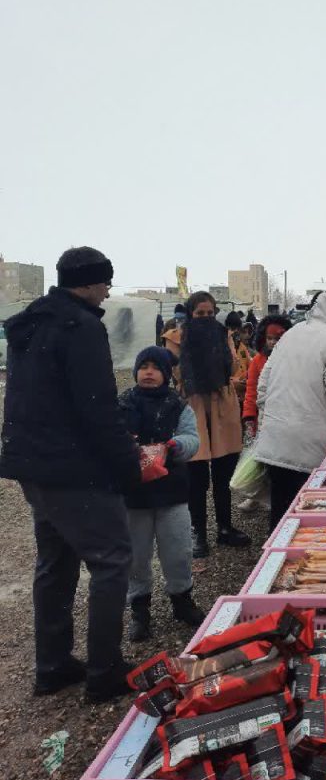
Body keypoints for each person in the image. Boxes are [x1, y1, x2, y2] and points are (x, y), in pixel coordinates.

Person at [0, 247, 140, 702]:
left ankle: (53, 665)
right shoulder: (80, 326)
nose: (108, 291)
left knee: (56, 561)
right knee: (112, 560)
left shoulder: (31, 323)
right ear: (88, 282)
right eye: (106, 282)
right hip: (73, 467)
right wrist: (128, 464)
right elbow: (98, 407)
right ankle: (105, 671)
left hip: (32, 463)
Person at [118, 346, 205, 641]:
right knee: (135, 554)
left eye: (156, 368)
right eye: (144, 367)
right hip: (134, 495)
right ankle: (139, 609)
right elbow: (111, 437)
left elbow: (192, 438)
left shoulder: (177, 405)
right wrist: (125, 447)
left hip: (172, 492)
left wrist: (176, 446)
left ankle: (182, 600)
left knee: (178, 549)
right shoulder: (123, 404)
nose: (149, 372)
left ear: (166, 375)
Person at [253, 291, 326, 530]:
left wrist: (270, 418)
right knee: (306, 512)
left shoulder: (291, 334)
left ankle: (274, 550)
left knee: (280, 509)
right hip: (308, 441)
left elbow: (264, 385)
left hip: (275, 438)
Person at [162, 291, 250, 558]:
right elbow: (175, 372)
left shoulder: (223, 335)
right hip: (193, 406)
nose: (205, 318)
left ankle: (224, 527)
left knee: (224, 473)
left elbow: (233, 368)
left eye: (210, 313)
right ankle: (198, 532)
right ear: (190, 314)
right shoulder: (175, 338)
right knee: (196, 476)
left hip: (222, 404)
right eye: (200, 313)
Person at [237, 315, 292, 513]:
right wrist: (249, 417)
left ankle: (273, 496)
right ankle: (255, 495)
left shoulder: (292, 361)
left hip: (287, 416)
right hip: (264, 418)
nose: (273, 342)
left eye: (277, 338)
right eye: (270, 338)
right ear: (263, 338)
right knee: (262, 459)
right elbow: (251, 391)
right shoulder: (257, 361)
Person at [225, 311, 251, 401]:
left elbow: (250, 366)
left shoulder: (242, 347)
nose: (235, 332)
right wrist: (234, 382)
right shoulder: (221, 348)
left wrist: (247, 378)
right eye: (232, 328)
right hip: (229, 396)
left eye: (237, 329)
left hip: (243, 396)